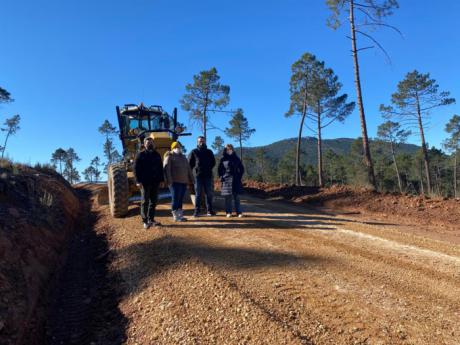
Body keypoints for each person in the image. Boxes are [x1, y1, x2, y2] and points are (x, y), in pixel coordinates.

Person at [134, 137, 164, 229]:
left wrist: (162, 180)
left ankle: (151, 219)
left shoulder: (157, 155)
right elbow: (136, 169)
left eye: (151, 142)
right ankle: (145, 220)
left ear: (153, 143)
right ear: (144, 144)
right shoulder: (140, 155)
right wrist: (138, 181)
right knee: (145, 201)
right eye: (147, 143)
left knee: (153, 201)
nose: (149, 144)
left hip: (155, 181)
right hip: (145, 182)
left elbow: (160, 168)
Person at [163, 141, 194, 222]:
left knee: (180, 199)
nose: (178, 148)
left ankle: (180, 215)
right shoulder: (169, 156)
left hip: (183, 182)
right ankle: (175, 216)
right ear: (172, 148)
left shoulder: (184, 157)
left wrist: (192, 179)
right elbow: (167, 169)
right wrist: (169, 181)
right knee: (175, 198)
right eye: (176, 147)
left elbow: (188, 169)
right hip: (174, 182)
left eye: (179, 147)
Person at [188, 136, 216, 217]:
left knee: (209, 193)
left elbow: (213, 162)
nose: (201, 142)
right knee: (198, 194)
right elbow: (190, 164)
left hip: (208, 175)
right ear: (197, 142)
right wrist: (195, 171)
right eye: (200, 141)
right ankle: (197, 211)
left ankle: (209, 211)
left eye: (203, 141)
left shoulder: (209, 152)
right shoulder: (194, 152)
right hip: (198, 176)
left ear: (205, 142)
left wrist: (207, 168)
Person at [218, 144, 245, 218]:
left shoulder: (236, 158)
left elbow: (241, 169)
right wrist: (222, 177)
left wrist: (239, 176)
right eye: (227, 149)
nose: (229, 150)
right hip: (226, 180)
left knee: (237, 197)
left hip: (236, 180)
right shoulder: (223, 159)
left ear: (232, 149)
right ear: (225, 150)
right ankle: (228, 212)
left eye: (230, 149)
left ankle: (239, 212)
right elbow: (220, 169)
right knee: (228, 198)